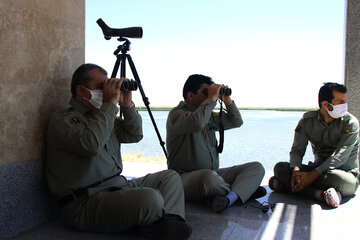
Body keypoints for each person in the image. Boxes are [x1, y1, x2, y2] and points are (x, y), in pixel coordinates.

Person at [46, 63, 192, 239]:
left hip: (119, 187)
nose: (109, 92)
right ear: (81, 90)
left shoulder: (102, 117)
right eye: (101, 87)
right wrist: (109, 105)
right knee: (150, 199)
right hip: (85, 202)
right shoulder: (64, 118)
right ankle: (159, 223)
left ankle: (165, 223)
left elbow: (134, 134)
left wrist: (127, 105)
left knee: (170, 176)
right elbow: (90, 144)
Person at [166, 74, 266, 213]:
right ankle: (241, 192)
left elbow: (236, 121)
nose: (210, 95)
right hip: (183, 178)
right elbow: (196, 123)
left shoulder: (209, 116)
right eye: (205, 92)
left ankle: (229, 197)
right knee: (208, 179)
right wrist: (211, 99)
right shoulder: (177, 115)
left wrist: (226, 99)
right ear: (190, 95)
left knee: (256, 168)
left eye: (211, 92)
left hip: (214, 174)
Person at [269, 82, 359, 208]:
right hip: (318, 170)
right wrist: (296, 171)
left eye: (345, 102)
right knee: (280, 168)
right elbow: (297, 150)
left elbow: (340, 157)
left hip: (343, 174)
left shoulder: (350, 123)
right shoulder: (307, 121)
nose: (345, 106)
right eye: (340, 102)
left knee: (335, 178)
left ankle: (291, 186)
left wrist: (311, 176)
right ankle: (321, 194)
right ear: (325, 104)